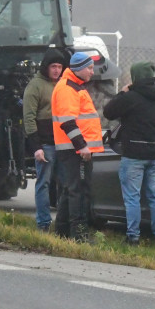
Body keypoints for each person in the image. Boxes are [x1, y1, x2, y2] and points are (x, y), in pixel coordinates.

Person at [103, 61, 155, 247]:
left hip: (133, 155)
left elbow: (109, 112)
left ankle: (133, 237)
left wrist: (122, 92)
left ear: (135, 77)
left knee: (132, 197)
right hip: (154, 155)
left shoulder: (130, 98)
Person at [51, 51, 104, 242]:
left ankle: (63, 232)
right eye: (89, 68)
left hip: (73, 149)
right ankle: (79, 235)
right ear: (79, 69)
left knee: (71, 189)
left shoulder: (74, 87)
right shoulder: (68, 89)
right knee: (79, 191)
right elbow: (68, 122)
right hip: (75, 150)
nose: (92, 72)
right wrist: (82, 146)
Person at [22, 48, 66, 232]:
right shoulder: (35, 86)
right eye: (53, 66)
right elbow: (29, 118)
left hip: (63, 144)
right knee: (44, 184)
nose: (56, 70)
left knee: (64, 184)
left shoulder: (63, 85)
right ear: (45, 67)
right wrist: (36, 147)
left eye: (59, 67)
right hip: (45, 145)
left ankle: (63, 224)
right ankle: (43, 223)